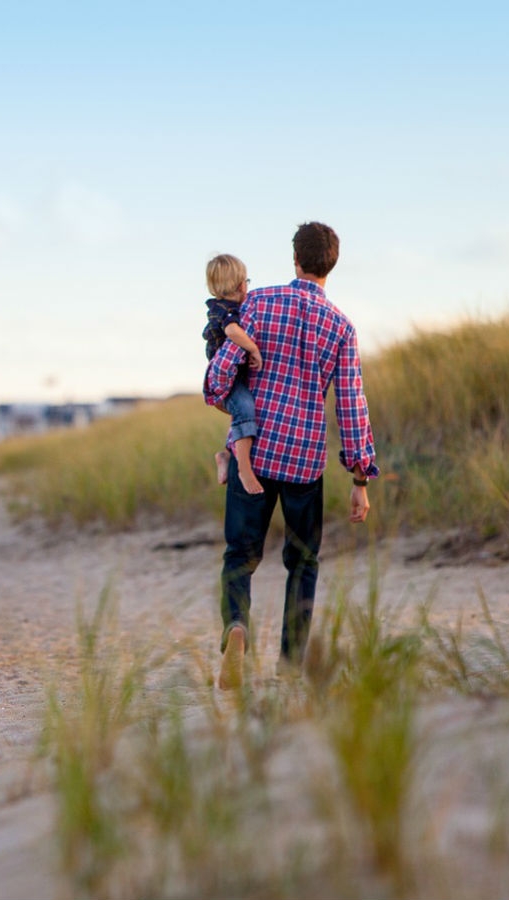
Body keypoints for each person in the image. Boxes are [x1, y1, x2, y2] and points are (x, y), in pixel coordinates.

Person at [205, 222, 378, 690]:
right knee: (303, 563)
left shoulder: (258, 302)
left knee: (239, 557)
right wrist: (360, 479)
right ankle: (290, 665)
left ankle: (236, 626)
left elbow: (219, 374)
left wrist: (222, 395)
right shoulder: (342, 327)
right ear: (331, 265)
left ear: (295, 259)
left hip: (255, 453)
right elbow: (351, 405)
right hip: (304, 462)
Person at [202, 254, 264, 495]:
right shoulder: (225, 310)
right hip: (225, 379)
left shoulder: (226, 307)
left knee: (243, 412)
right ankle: (244, 469)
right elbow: (232, 332)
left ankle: (226, 455)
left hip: (234, 375)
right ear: (241, 285)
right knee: (245, 408)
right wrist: (253, 348)